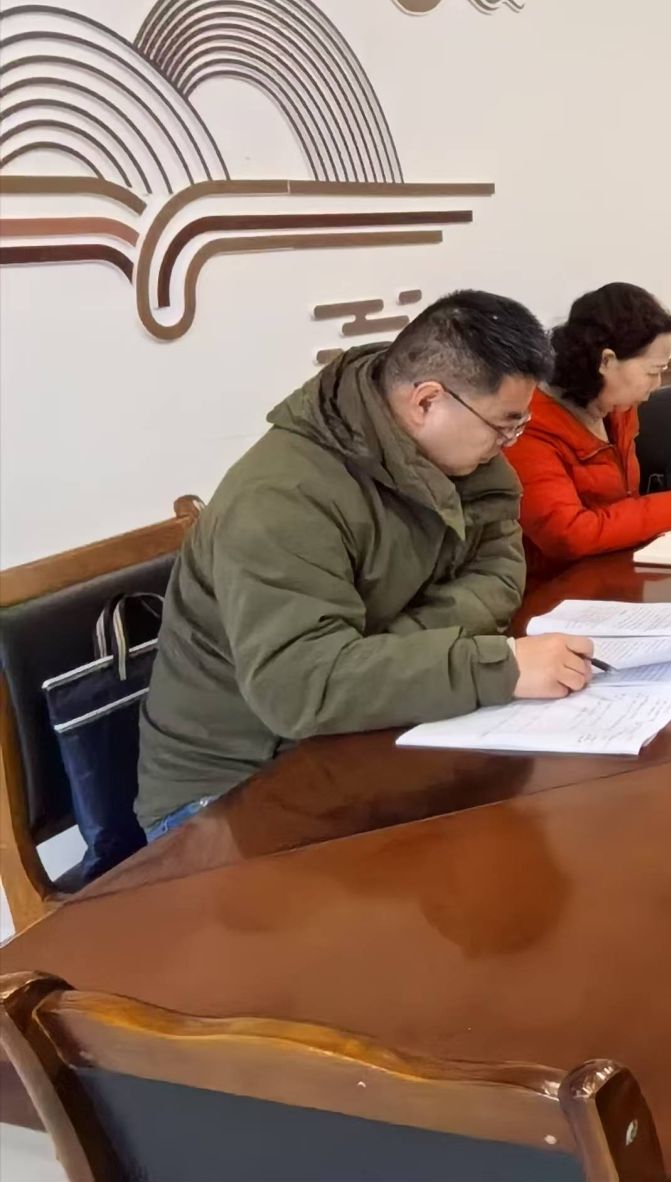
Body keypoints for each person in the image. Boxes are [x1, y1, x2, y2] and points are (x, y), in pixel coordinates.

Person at [136, 291, 600, 839]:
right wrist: (496, 666)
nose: (506, 444)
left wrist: (384, 652)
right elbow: (300, 687)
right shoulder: (283, 497)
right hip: (234, 787)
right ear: (426, 401)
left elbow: (500, 571)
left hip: (358, 735)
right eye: (503, 425)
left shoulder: (465, 457)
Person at [506, 283, 671, 579]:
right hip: (558, 586)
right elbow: (569, 534)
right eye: (652, 372)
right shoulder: (529, 427)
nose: (657, 385)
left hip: (619, 564)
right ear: (606, 361)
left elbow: (624, 501)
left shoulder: (618, 407)